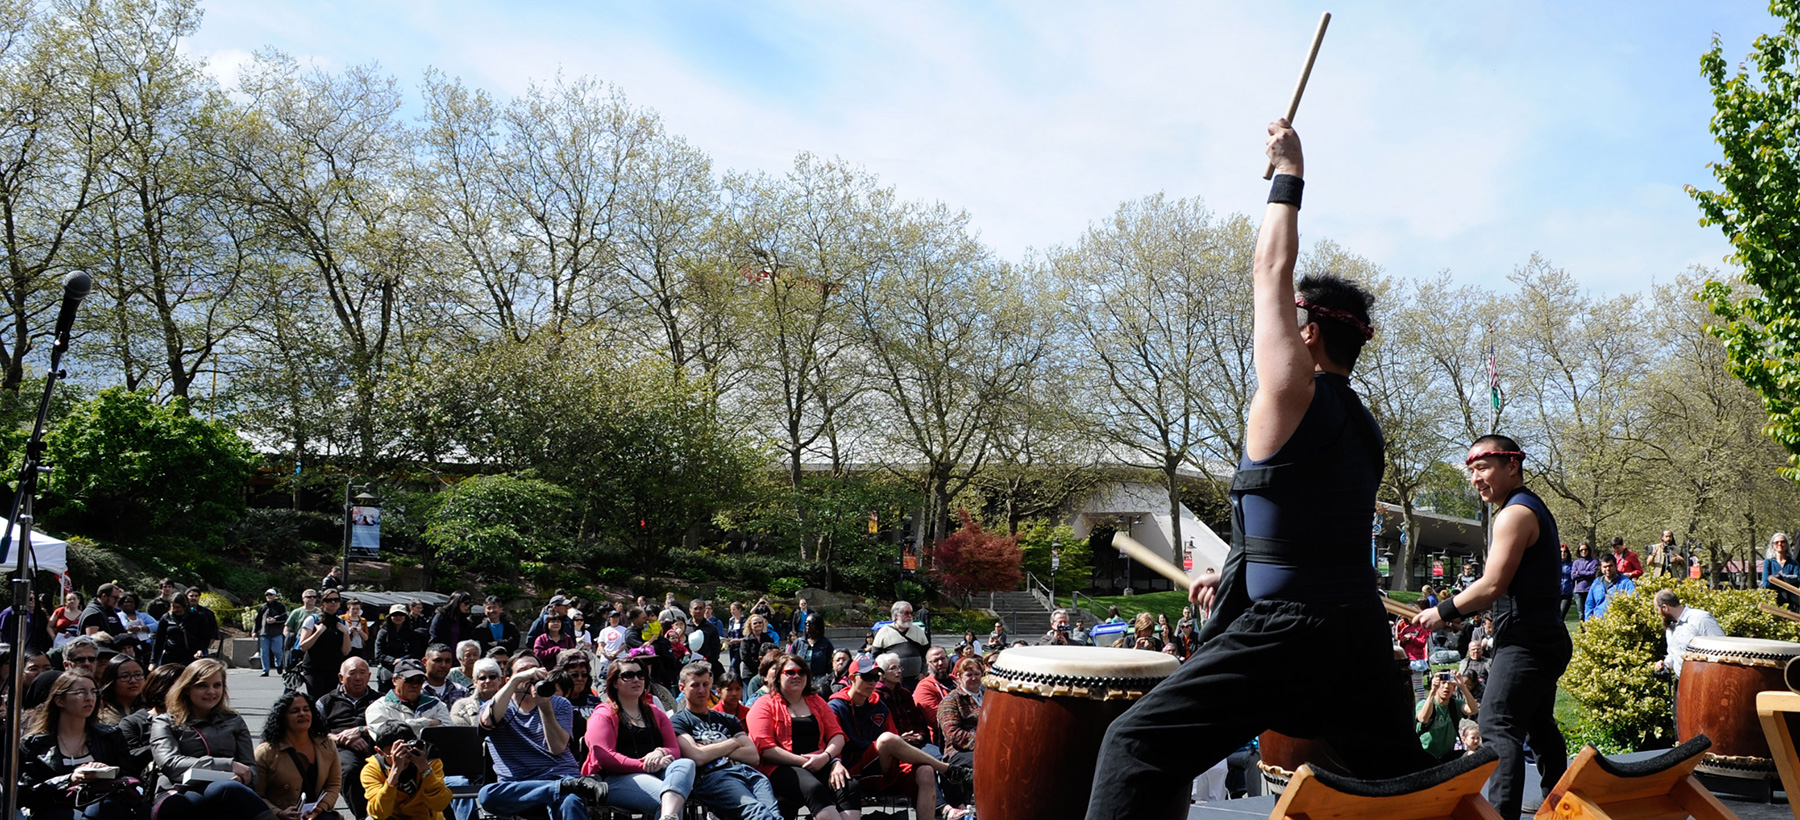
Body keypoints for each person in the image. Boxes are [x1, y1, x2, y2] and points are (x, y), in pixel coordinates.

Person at [1086, 119, 1435, 820]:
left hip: (1291, 633)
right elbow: (1304, 531)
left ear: (1307, 331)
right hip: (1355, 634)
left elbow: (1267, 271)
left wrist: (1288, 174)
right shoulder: (1365, 428)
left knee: (1135, 747)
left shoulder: (1292, 394)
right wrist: (1241, 568)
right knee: (1401, 780)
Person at [1412, 436, 1570, 820]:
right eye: (1470, 471)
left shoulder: (1514, 514)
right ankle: (1564, 807)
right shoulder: (1529, 508)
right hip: (1542, 638)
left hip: (1526, 643)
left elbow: (1492, 584)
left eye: (1482, 467)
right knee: (1537, 724)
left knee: (1496, 725)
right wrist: (1457, 613)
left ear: (1512, 465)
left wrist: (1443, 609)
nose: (1474, 478)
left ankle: (1501, 815)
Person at [828, 656, 967, 817]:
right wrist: (835, 762)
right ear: (852, 678)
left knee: (926, 771)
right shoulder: (836, 706)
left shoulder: (879, 705)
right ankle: (946, 769)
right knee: (887, 739)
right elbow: (831, 740)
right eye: (866, 677)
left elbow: (896, 737)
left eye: (875, 677)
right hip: (852, 768)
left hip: (885, 766)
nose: (872, 682)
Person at [477, 656, 610, 820]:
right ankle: (560, 788)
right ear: (508, 679)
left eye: (535, 670)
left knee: (570, 802)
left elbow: (557, 748)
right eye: (523, 672)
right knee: (486, 795)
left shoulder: (560, 704)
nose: (531, 676)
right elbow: (487, 721)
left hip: (560, 775)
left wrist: (544, 707)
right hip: (519, 787)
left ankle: (560, 788)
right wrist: (515, 681)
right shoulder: (494, 706)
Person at [149, 658, 271, 818]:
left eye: (217, 685)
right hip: (179, 790)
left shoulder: (233, 720)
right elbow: (170, 764)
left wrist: (243, 778)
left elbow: (250, 768)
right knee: (226, 789)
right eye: (202, 686)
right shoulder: (165, 722)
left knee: (230, 790)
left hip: (230, 789)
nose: (211, 692)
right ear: (186, 688)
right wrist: (227, 765)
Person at [582, 655, 697, 820]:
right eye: (628, 675)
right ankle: (668, 814)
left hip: (657, 773)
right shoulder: (603, 715)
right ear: (614, 682)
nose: (636, 679)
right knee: (667, 799)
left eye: (640, 674)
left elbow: (674, 749)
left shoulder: (655, 712)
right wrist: (644, 765)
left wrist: (661, 752)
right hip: (614, 778)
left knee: (685, 764)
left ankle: (667, 817)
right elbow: (606, 757)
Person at [19, 671, 146, 820]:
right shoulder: (34, 744)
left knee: (104, 809)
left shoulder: (110, 735)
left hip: (103, 807)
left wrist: (107, 772)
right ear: (60, 701)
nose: (89, 698)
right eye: (81, 692)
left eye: (93, 692)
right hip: (56, 811)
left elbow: (129, 776)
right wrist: (70, 779)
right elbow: (25, 794)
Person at [747, 653, 858, 820]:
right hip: (781, 767)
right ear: (778, 677)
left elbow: (837, 735)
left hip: (820, 761)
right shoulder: (763, 704)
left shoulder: (817, 701)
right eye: (790, 672)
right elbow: (765, 748)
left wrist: (828, 758)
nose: (797, 676)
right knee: (813, 787)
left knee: (849, 785)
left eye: (802, 672)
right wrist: (805, 762)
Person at [670, 661, 782, 820]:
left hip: (748, 773)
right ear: (682, 688)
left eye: (705, 684)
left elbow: (753, 756)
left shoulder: (728, 719)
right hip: (713, 777)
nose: (702, 690)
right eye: (695, 685)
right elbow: (698, 757)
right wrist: (734, 743)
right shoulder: (679, 721)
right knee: (758, 814)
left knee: (774, 816)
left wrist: (709, 748)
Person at [254, 689, 341, 819]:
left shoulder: (327, 745)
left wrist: (321, 807)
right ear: (283, 718)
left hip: (316, 814)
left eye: (306, 710)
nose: (302, 714)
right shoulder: (266, 752)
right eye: (295, 711)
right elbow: (257, 795)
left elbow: (333, 785)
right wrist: (279, 813)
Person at [316, 656, 380, 819]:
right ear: (341, 677)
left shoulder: (380, 700)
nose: (358, 678)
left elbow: (390, 725)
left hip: (376, 745)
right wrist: (339, 738)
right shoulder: (326, 701)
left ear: (369, 676)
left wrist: (362, 731)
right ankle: (363, 816)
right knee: (349, 769)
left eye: (362, 673)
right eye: (352, 673)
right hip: (341, 748)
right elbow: (314, 732)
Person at [360, 722, 452, 820]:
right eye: (394, 754)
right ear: (379, 751)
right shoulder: (372, 769)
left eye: (405, 751)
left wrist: (424, 768)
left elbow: (440, 804)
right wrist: (394, 773)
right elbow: (379, 813)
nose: (402, 758)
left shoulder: (429, 761)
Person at [1652, 590, 1724, 705]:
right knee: (1679, 723)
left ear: (1665, 607)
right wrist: (1666, 664)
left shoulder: (1701, 619)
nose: (1658, 614)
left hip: (1702, 684)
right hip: (1680, 684)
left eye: (1657, 610)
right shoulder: (1671, 626)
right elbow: (1673, 652)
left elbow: (1722, 647)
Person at [366, 659, 451, 740]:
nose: (415, 685)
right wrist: (427, 723)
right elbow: (386, 738)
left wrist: (403, 726)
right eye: (409, 680)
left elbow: (449, 732)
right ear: (395, 680)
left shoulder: (436, 704)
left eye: (420, 680)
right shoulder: (379, 707)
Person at [297, 591, 352, 700]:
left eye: (336, 600)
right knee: (316, 700)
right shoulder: (312, 620)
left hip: (333, 668)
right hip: (314, 668)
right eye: (329, 600)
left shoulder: (342, 623)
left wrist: (345, 633)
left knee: (330, 701)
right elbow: (303, 646)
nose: (333, 602)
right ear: (323, 602)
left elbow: (346, 651)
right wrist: (318, 632)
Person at [1414, 672, 1480, 761]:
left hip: (1448, 756)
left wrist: (1463, 687)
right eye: (1443, 683)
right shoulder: (1424, 703)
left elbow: (1473, 709)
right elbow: (1423, 719)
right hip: (1426, 756)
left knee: (1471, 755)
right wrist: (1432, 692)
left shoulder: (1455, 704)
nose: (1446, 687)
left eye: (1451, 684)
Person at [871, 601, 930, 685]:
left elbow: (927, 654)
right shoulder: (884, 632)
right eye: (906, 613)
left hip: (917, 681)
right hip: (892, 683)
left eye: (911, 613)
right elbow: (875, 657)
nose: (910, 616)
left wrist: (923, 673)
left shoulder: (918, 630)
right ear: (896, 615)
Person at [936, 657, 983, 765]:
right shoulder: (951, 700)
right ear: (959, 677)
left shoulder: (989, 696)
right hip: (960, 751)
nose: (974, 678)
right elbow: (953, 734)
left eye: (977, 674)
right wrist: (984, 742)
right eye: (969, 675)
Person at [151, 594, 206, 667]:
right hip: (171, 657)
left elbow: (205, 636)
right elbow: (159, 640)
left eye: (178, 607)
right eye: (173, 607)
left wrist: (201, 649)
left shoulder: (198, 617)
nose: (175, 610)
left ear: (185, 606)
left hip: (191, 656)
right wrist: (153, 661)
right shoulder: (166, 618)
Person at [451, 658, 507, 726]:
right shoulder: (460, 706)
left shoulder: (511, 705)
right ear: (475, 682)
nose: (488, 681)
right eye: (482, 678)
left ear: (500, 680)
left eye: (492, 677)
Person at [97, 654, 147, 725]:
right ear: (112, 680)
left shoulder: (152, 707)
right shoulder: (98, 710)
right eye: (125, 676)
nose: (133, 680)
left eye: (138, 675)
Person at [1584, 553, 1636, 620]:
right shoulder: (1597, 583)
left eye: (1610, 566)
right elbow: (1589, 605)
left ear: (1615, 566)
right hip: (1598, 623)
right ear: (1601, 568)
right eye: (1605, 567)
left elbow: (1633, 601)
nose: (1608, 569)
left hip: (1617, 623)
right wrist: (1588, 623)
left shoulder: (1626, 583)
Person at [1762, 533, 1800, 609]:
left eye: (1783, 541)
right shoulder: (1768, 562)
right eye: (1777, 542)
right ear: (1772, 545)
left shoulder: (1794, 563)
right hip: (1773, 602)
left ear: (1787, 545)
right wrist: (1788, 580)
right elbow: (1766, 584)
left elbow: (1798, 582)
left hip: (1791, 604)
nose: (1780, 544)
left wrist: (1776, 579)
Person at [257, 590, 289, 677]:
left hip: (277, 632)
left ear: (275, 596)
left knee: (277, 651)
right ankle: (265, 670)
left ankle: (278, 664)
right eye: (267, 595)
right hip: (264, 633)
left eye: (271, 595)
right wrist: (254, 631)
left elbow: (284, 617)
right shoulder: (263, 607)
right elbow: (258, 620)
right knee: (264, 652)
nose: (269, 596)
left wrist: (275, 620)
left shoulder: (280, 606)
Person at [285, 591, 319, 660]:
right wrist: (289, 639)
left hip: (316, 642)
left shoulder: (320, 612)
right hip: (299, 641)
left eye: (314, 597)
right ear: (303, 598)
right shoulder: (296, 612)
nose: (312, 598)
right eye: (309, 597)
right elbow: (287, 628)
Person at [1570, 544, 1599, 621]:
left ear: (1588, 550)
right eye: (1581, 550)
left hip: (1590, 589)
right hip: (1578, 591)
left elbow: (1592, 574)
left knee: (1590, 611)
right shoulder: (1576, 563)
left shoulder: (1594, 561)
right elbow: (1573, 576)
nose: (1584, 551)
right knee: (1581, 614)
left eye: (1585, 549)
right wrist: (1586, 574)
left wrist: (1579, 572)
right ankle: (1583, 631)